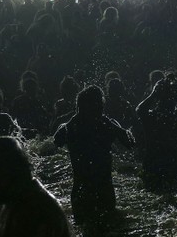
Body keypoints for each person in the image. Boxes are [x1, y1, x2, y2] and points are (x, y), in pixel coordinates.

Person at [53, 85, 135, 224]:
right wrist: (113, 125)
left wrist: (74, 118)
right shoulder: (105, 125)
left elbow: (56, 142)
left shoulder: (71, 126)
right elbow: (130, 143)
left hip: (83, 192)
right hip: (102, 190)